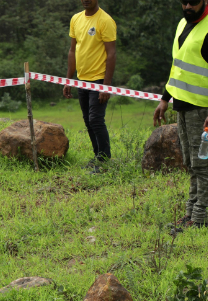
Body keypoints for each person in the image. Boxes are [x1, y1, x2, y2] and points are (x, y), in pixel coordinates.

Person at [154, 0, 208, 231]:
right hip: (183, 106)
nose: (188, 6)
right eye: (184, 2)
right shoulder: (183, 23)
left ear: (205, 1)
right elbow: (178, 66)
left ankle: (201, 219)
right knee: (191, 162)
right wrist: (165, 98)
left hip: (204, 111)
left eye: (193, 2)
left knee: (204, 164)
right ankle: (191, 214)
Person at [63, 0, 116, 173]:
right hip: (81, 79)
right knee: (88, 120)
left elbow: (111, 53)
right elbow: (73, 51)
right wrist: (69, 80)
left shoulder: (105, 20)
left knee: (96, 120)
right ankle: (97, 157)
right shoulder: (75, 19)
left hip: (99, 79)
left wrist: (106, 86)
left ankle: (104, 159)